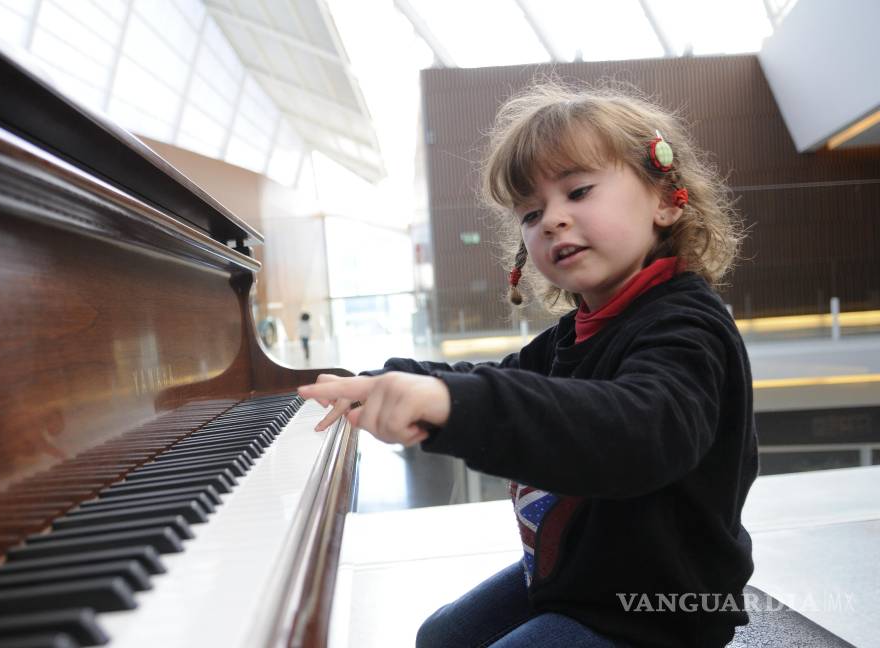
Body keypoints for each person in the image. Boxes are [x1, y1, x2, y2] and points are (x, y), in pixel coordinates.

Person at [298, 83, 756, 648]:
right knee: (440, 637)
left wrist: (451, 405)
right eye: (532, 212)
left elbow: (637, 430)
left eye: (579, 191)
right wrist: (389, 378)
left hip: (661, 607)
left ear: (665, 200)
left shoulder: (688, 325)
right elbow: (507, 379)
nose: (552, 220)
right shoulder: (580, 329)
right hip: (584, 578)